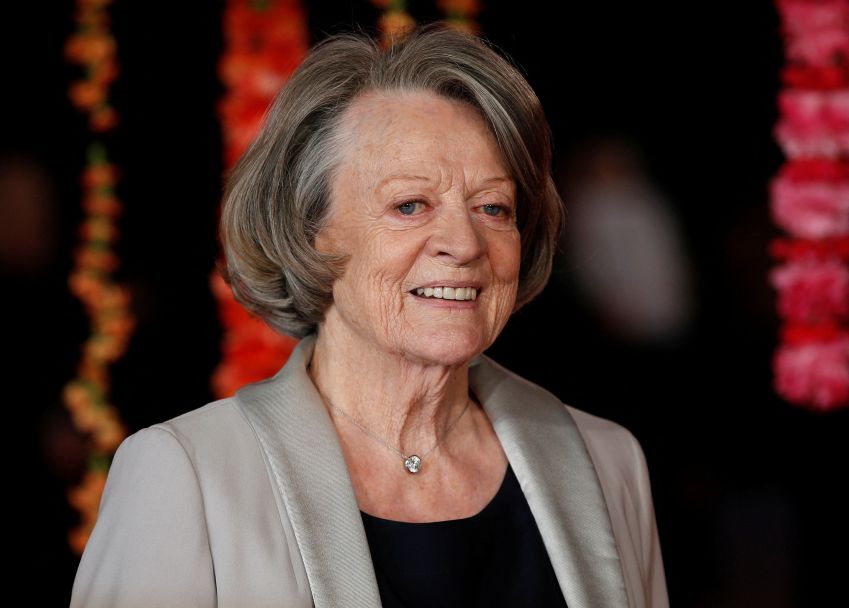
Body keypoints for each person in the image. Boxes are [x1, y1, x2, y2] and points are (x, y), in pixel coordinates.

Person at [70, 22, 668, 608]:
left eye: (493, 206)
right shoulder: (185, 477)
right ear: (310, 233)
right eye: (410, 205)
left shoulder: (607, 461)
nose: (463, 243)